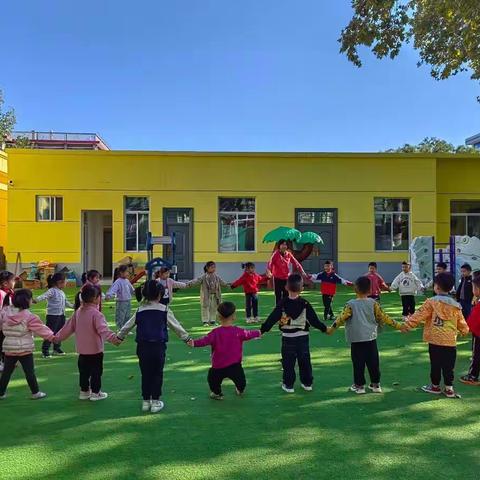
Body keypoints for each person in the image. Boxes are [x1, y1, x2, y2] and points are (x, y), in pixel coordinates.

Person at [117, 280, 191, 413]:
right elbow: (176, 326)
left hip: (143, 346)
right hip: (158, 346)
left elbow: (128, 325)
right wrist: (186, 338)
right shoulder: (164, 309)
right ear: (160, 295)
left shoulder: (140, 310)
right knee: (157, 373)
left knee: (145, 373)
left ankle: (146, 401)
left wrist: (119, 337)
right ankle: (156, 401)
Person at [327, 276, 402, 394]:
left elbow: (341, 318)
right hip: (370, 338)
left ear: (355, 289)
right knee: (373, 362)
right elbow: (383, 317)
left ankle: (359, 386)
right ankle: (376, 384)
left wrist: (331, 329)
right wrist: (399, 326)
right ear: (370, 290)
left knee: (358, 363)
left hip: (356, 339)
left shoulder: (350, 304)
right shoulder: (374, 303)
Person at [403, 272, 469, 398]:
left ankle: (435, 386)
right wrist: (464, 330)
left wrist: (407, 324)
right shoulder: (455, 306)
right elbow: (462, 322)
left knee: (436, 364)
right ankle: (449, 389)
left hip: (435, 340)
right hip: (450, 341)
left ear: (437, 287)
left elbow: (419, 315)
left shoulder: (431, 302)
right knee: (449, 366)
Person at [260, 273, 328, 393]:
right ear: (302, 289)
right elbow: (314, 320)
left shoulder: (282, 304)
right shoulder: (305, 304)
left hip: (288, 338)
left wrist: (262, 330)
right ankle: (307, 383)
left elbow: (272, 318)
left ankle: (288, 385)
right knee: (305, 361)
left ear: (286, 287)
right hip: (303, 338)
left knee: (288, 363)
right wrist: (324, 329)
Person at [54, 284, 120, 401]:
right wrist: (114, 339)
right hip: (95, 350)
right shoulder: (96, 314)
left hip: (82, 350)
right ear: (96, 298)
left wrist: (56, 337)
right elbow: (103, 330)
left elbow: (67, 328)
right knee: (96, 372)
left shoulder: (78, 312)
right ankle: (96, 393)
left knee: (84, 372)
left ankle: (84, 391)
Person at [188, 301, 261, 399]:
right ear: (234, 316)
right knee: (241, 383)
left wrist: (194, 343)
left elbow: (204, 340)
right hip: (234, 365)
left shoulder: (215, 333)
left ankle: (217, 393)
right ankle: (239, 389)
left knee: (213, 381)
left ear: (219, 317)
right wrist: (258, 332)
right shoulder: (238, 332)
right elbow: (249, 333)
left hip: (218, 366)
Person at [0, 289, 55, 400]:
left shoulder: (5, 312)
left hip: (9, 348)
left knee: (6, 372)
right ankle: (35, 393)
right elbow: (42, 330)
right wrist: (53, 337)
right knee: (29, 372)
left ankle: (1, 393)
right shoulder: (29, 317)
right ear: (27, 301)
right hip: (25, 350)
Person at [34, 272, 74, 358]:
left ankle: (56, 348)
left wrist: (73, 306)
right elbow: (44, 296)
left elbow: (66, 302)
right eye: (65, 281)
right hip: (52, 316)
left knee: (59, 332)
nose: (66, 283)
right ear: (60, 282)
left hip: (61, 315)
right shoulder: (52, 291)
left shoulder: (61, 292)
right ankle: (45, 350)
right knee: (50, 333)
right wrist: (36, 300)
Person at [266, 240, 309, 306]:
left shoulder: (288, 254)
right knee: (278, 296)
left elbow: (296, 263)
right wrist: (269, 271)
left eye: (285, 244)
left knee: (286, 295)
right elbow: (270, 263)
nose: (284, 246)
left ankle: (286, 310)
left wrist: (302, 272)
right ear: (279, 246)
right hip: (277, 278)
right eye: (282, 244)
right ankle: (278, 311)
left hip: (286, 278)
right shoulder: (276, 254)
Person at [187, 261, 229, 326]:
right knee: (205, 307)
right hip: (206, 295)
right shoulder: (203, 277)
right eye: (212, 267)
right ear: (207, 268)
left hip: (215, 295)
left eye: (214, 267)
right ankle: (205, 321)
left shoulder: (216, 277)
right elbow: (196, 280)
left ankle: (213, 320)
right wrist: (189, 283)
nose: (214, 269)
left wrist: (228, 285)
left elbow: (222, 282)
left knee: (214, 307)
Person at [460, 276, 480, 385]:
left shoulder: (479, 306)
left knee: (476, 355)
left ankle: (473, 376)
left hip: (478, 334)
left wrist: (464, 330)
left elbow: (473, 321)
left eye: (474, 287)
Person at [0, 271, 15, 372]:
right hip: (2, 324)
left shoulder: (9, 292)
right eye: (13, 280)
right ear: (5, 283)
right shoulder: (1, 293)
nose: (14, 282)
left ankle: (6, 361)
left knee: (6, 343)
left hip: (6, 323)